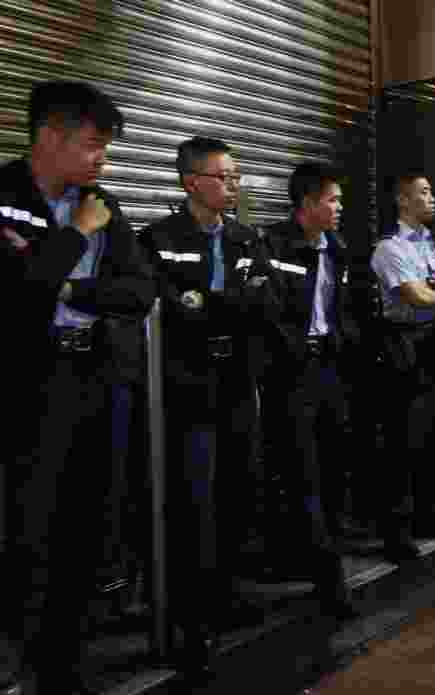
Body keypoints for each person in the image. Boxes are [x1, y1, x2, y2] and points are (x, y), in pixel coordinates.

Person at [1, 81, 155, 695]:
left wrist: (68, 286)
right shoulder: (6, 198)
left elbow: (138, 291)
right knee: (25, 527)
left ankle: (64, 662)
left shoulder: (101, 204)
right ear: (49, 136)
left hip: (95, 378)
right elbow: (18, 294)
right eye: (93, 146)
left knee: (86, 526)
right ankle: (18, 660)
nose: (102, 161)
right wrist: (76, 238)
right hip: (26, 387)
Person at [138, 137, 279, 677]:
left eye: (237, 177)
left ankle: (226, 596)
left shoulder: (248, 237)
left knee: (239, 490)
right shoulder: (158, 239)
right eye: (225, 177)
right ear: (192, 182)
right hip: (187, 384)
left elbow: (266, 302)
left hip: (237, 381)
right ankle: (188, 619)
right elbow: (170, 311)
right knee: (192, 500)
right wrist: (225, 304)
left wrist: (207, 302)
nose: (234, 185)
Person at [260, 162, 360, 619]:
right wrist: (296, 351)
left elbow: (343, 308)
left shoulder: (337, 248)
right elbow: (271, 313)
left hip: (330, 370)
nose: (339, 208)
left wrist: (341, 342)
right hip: (291, 375)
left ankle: (326, 556)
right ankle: (326, 576)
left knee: (336, 464)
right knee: (302, 471)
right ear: (307, 203)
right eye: (332, 200)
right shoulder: (273, 245)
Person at [369, 172, 435, 564]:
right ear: (403, 200)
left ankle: (431, 515)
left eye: (432, 191)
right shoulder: (388, 248)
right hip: (403, 344)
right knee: (401, 441)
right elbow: (415, 296)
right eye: (424, 192)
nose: (433, 198)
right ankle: (396, 532)